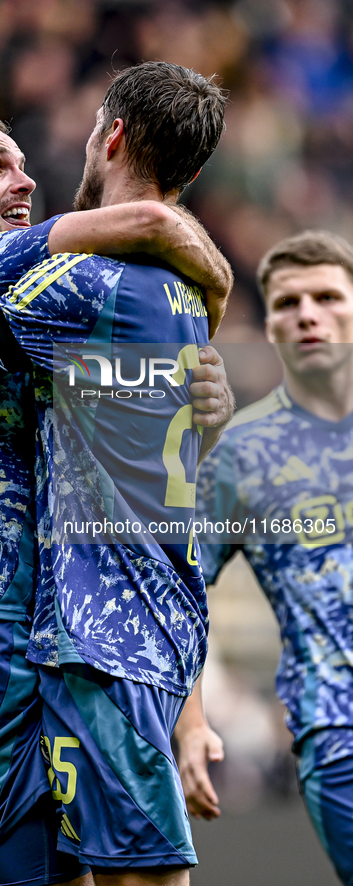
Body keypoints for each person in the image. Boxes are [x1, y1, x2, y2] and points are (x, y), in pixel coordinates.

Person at [0, 61, 232, 886]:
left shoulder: (31, 315)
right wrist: (214, 279)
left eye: (22, 159)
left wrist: (191, 385)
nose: (27, 176)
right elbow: (141, 221)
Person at [174, 229, 353, 886]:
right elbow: (178, 592)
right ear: (270, 325)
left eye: (328, 297)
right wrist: (190, 724)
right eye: (287, 302)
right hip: (336, 733)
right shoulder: (242, 459)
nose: (307, 314)